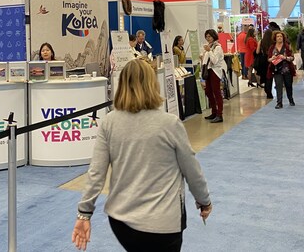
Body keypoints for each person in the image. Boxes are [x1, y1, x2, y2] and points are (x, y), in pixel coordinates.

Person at [72, 58, 211, 252]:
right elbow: (192, 170)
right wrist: (204, 200)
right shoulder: (170, 123)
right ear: (153, 84)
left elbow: (96, 173)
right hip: (164, 224)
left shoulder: (109, 122)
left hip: (122, 222)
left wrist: (84, 214)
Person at [202, 29, 226, 123]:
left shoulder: (217, 47)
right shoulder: (209, 46)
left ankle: (219, 114)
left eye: (209, 36)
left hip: (215, 72)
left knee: (217, 93)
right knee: (208, 91)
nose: (208, 38)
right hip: (208, 71)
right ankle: (214, 112)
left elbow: (215, 61)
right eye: (207, 37)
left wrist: (209, 51)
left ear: (213, 36)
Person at [267, 31, 296, 109]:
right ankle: (279, 102)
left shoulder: (287, 47)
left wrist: (285, 58)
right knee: (278, 86)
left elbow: (292, 58)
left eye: (281, 36)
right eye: (278, 36)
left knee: (288, 85)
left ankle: (291, 99)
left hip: (287, 69)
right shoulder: (272, 47)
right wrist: (272, 58)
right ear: (275, 38)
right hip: (276, 70)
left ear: (283, 38)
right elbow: (268, 59)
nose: (279, 38)